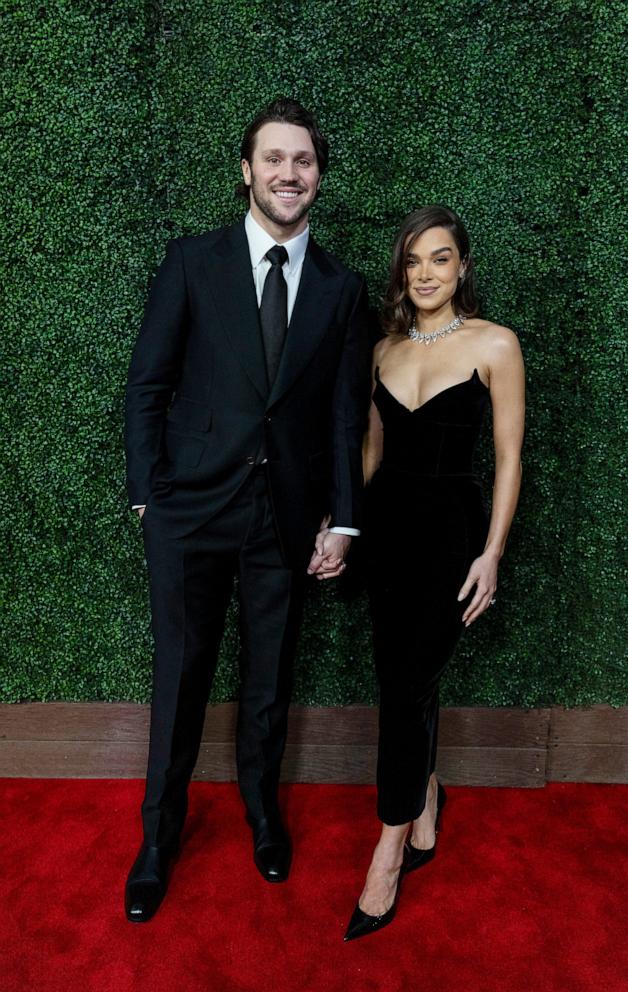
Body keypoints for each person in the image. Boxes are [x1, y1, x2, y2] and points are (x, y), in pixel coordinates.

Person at [124, 97, 370, 923]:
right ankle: (158, 840)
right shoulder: (192, 262)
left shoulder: (342, 289)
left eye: (302, 161)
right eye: (274, 159)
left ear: (319, 177)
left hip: (286, 521)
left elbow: (343, 414)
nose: (288, 174)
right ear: (247, 170)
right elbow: (148, 387)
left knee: (269, 685)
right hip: (189, 514)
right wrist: (146, 495)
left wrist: (342, 518)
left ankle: (264, 817)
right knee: (180, 680)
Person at [344, 205, 525, 941]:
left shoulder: (495, 345)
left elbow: (509, 456)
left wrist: (492, 553)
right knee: (400, 677)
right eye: (414, 261)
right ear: (402, 270)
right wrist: (347, 528)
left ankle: (387, 851)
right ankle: (425, 797)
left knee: (409, 683)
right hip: (387, 537)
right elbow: (371, 453)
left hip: (453, 539)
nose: (425, 273)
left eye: (440, 259)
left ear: (462, 267)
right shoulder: (384, 351)